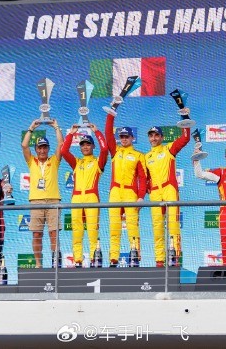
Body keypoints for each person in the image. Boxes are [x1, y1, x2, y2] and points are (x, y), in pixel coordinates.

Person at [61, 124, 108, 267]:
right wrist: (71, 133)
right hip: (76, 198)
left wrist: (96, 131)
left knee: (92, 230)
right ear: (80, 147)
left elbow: (105, 149)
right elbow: (64, 151)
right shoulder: (77, 162)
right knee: (77, 231)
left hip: (91, 197)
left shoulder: (98, 161)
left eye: (88, 144)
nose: (85, 147)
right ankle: (77, 261)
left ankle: (95, 260)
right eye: (82, 144)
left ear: (93, 146)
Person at [105, 114, 147, 267]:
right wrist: (111, 113)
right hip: (115, 192)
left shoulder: (138, 155)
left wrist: (141, 196)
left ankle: (135, 256)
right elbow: (108, 133)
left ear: (132, 138)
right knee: (114, 227)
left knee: (132, 226)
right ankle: (113, 259)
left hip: (130, 193)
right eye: (121, 136)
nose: (123, 139)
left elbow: (143, 178)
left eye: (126, 137)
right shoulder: (115, 151)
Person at [145, 124, 190, 267]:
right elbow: (145, 178)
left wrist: (185, 120)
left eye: (156, 135)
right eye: (151, 136)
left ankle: (175, 259)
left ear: (162, 137)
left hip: (169, 188)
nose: (153, 138)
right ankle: (159, 261)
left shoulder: (169, 149)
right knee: (157, 227)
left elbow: (185, 138)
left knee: (173, 225)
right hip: (155, 193)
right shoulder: (147, 156)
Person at [22, 118, 64, 268]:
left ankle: (55, 264)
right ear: (36, 149)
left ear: (48, 149)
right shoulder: (31, 161)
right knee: (36, 234)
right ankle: (38, 264)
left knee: (54, 234)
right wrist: (31, 127)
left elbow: (61, 144)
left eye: (45, 147)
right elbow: (24, 145)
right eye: (39, 148)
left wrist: (56, 127)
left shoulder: (54, 160)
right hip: (36, 201)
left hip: (53, 201)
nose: (42, 150)